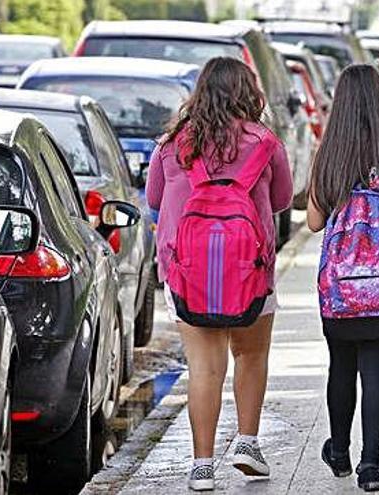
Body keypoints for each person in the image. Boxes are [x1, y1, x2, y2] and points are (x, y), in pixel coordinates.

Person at [146, 57, 293, 491]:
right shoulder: (266, 143)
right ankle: (247, 442)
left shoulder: (173, 144)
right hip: (250, 269)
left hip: (187, 270)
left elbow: (155, 197)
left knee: (204, 368)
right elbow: (284, 199)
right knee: (250, 355)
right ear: (249, 92)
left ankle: (202, 466)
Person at [307, 64, 379, 492]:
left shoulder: (331, 151)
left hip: (340, 286)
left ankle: (339, 452)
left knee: (341, 364)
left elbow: (314, 222)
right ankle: (370, 466)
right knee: (378, 368)